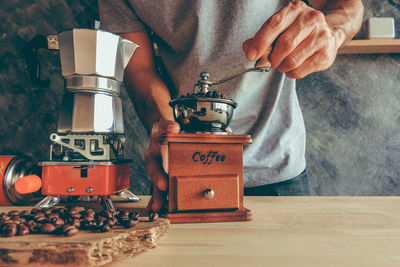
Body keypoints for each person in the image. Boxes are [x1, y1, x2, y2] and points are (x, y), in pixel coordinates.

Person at [98, 0, 364, 212]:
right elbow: (140, 68)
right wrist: (166, 128)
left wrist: (332, 32)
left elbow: (348, 6)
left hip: (278, 168)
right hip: (187, 171)